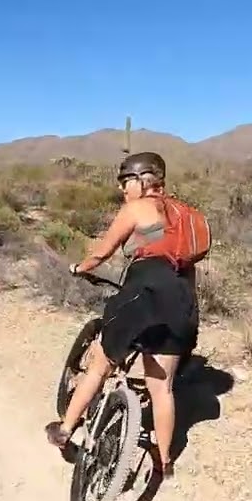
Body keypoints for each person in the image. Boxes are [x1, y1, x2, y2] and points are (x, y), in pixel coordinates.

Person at [44, 151, 202, 476]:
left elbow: (102, 253)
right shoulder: (188, 218)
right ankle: (164, 464)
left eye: (125, 182)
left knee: (99, 366)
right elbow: (172, 254)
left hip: (144, 294)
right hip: (182, 301)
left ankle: (65, 429)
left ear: (143, 180)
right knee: (162, 389)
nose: (122, 190)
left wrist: (79, 267)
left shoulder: (137, 207)